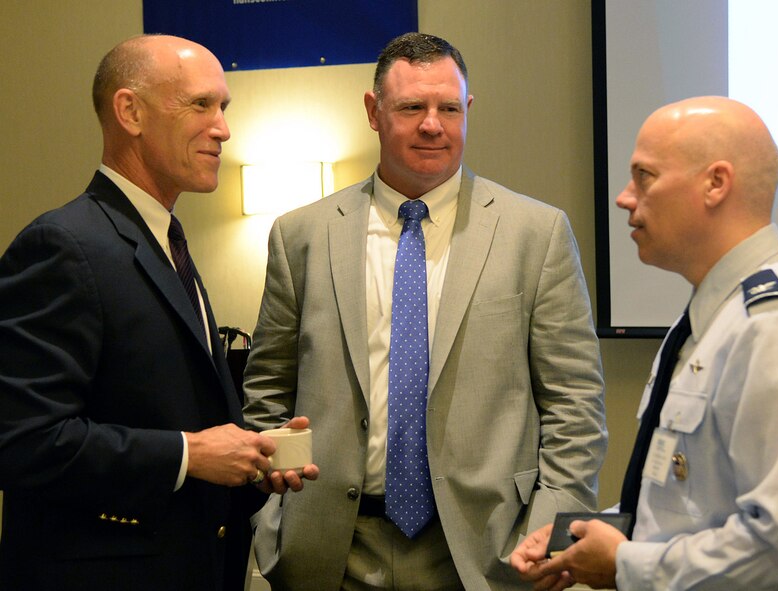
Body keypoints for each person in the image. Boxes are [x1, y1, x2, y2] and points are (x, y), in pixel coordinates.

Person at [242, 32, 607, 590]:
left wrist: (548, 528)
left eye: (449, 108)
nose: (432, 125)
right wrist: (272, 523)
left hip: (487, 553)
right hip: (330, 552)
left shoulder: (536, 234)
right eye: (412, 107)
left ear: (469, 111)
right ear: (373, 111)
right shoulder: (302, 236)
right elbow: (267, 389)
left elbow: (575, 406)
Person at [510, 96, 778, 591]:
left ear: (715, 184)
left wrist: (626, 565)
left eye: (645, 177)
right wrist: (579, 541)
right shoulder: (714, 317)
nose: (624, 197)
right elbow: (683, 504)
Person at [0, 34, 317, 591]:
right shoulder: (63, 245)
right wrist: (187, 454)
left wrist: (252, 461)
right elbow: (20, 441)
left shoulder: (166, 239)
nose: (222, 128)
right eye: (200, 104)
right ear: (130, 111)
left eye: (224, 107)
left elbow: (164, 405)